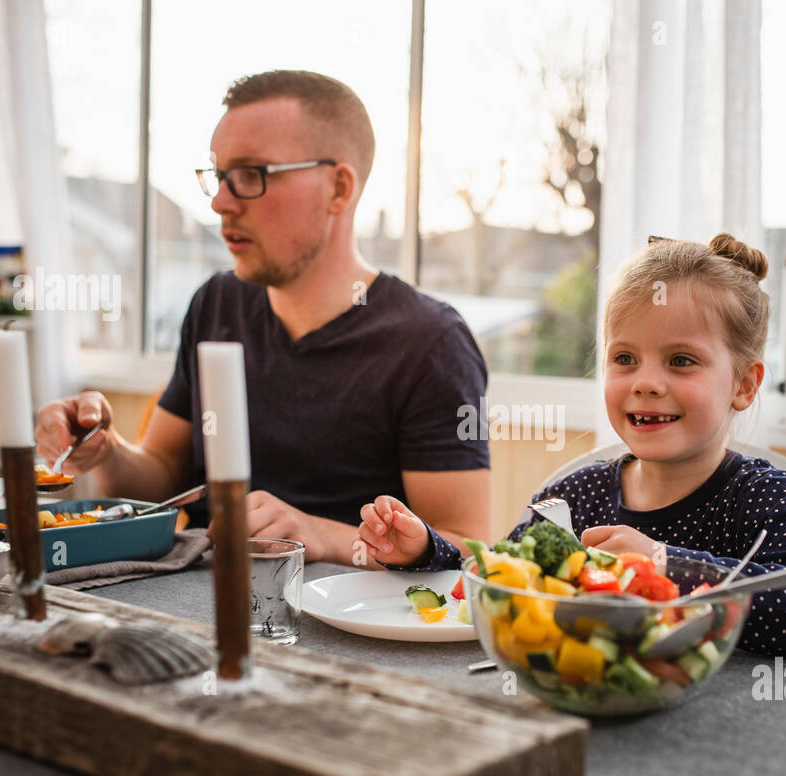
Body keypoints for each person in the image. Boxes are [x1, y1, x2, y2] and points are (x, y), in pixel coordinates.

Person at [354, 233, 786, 658]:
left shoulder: (764, 498)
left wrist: (664, 564)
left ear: (745, 385)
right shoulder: (575, 495)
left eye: (681, 360)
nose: (645, 382)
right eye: (624, 358)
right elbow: (504, 576)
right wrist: (427, 550)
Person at [35, 70, 491, 564]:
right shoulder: (216, 304)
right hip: (195, 603)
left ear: (338, 188)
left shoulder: (430, 342)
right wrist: (105, 450)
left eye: (252, 175)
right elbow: (163, 473)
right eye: (218, 173)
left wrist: (316, 534)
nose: (219, 201)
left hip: (342, 630)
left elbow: (467, 546)